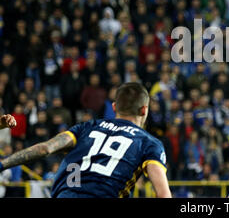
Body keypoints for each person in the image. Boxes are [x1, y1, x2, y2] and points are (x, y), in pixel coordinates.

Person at [0, 82, 171, 198]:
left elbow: (45, 148)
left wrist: (2, 164)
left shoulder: (86, 127)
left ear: (114, 107)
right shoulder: (149, 143)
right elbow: (163, 194)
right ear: (144, 110)